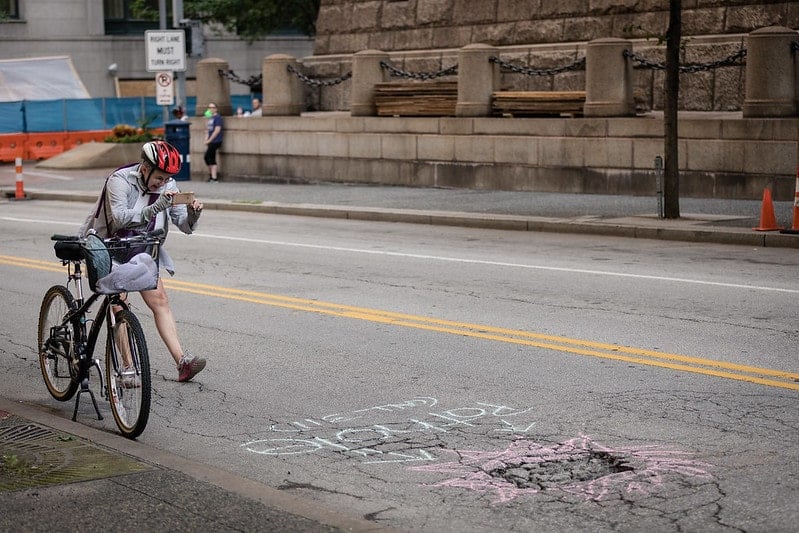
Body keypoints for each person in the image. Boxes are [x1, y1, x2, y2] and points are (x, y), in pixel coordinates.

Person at [79, 140, 207, 383]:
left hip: (142, 248)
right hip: (110, 247)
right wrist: (158, 205)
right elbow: (118, 219)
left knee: (160, 299)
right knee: (119, 304)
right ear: (145, 168)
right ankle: (127, 367)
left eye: (167, 178)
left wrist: (193, 215)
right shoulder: (120, 181)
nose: (163, 183)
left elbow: (183, 224)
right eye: (159, 177)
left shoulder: (169, 183)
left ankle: (182, 362)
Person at [203, 102, 223, 182]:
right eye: (209, 107)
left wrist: (209, 140)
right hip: (211, 141)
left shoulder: (218, 118)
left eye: (213, 107)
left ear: (216, 108)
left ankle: (214, 177)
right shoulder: (210, 118)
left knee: (210, 156)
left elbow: (217, 130)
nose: (211, 109)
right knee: (208, 157)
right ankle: (211, 176)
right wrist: (206, 139)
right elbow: (208, 130)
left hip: (216, 140)